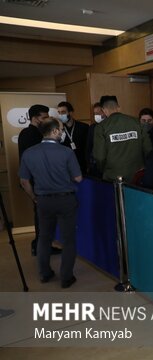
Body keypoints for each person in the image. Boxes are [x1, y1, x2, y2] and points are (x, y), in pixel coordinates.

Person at [18, 117, 82, 288]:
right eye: (60, 129)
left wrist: (34, 197)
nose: (62, 132)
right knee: (68, 240)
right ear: (54, 131)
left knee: (44, 238)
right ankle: (66, 277)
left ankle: (44, 274)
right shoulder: (66, 152)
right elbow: (78, 177)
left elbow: (24, 181)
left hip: (43, 201)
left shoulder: (29, 153)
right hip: (66, 199)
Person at [18, 104, 52, 256]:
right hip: (36, 181)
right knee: (41, 217)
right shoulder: (29, 134)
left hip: (39, 180)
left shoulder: (36, 132)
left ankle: (41, 245)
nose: (46, 120)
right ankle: (41, 247)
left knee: (43, 216)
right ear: (35, 118)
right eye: (44, 117)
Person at [93, 95, 152, 182]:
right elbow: (148, 149)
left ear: (104, 110)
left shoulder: (101, 127)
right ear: (119, 108)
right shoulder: (136, 122)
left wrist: (104, 170)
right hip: (137, 175)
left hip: (113, 176)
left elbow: (100, 157)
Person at [57, 101, 89, 172]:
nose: (60, 115)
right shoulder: (58, 129)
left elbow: (88, 147)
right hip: (65, 166)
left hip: (82, 165)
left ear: (71, 113)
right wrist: (61, 129)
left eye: (63, 112)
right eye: (59, 112)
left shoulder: (84, 127)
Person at [86, 102, 104, 176]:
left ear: (104, 112)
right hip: (95, 165)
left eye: (98, 113)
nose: (96, 116)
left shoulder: (111, 127)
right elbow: (88, 146)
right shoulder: (92, 127)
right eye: (95, 114)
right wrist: (89, 164)